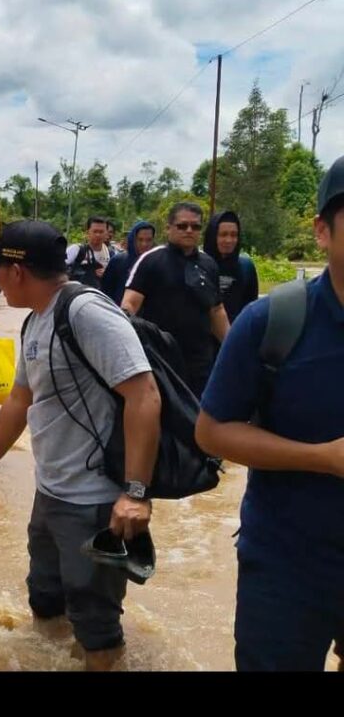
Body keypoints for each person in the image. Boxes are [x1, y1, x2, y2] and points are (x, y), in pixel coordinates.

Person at [0, 220, 161, 671]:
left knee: (97, 626)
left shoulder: (86, 312)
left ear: (16, 272)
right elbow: (20, 399)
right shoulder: (36, 319)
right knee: (46, 601)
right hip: (51, 493)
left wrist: (135, 493)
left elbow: (144, 396)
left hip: (94, 502)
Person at [196, 155, 344, 672]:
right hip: (287, 564)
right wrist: (323, 458)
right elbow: (212, 432)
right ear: (322, 231)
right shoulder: (273, 321)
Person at [122, 202, 230, 397]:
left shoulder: (208, 264)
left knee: (198, 409)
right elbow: (129, 305)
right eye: (182, 226)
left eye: (195, 226)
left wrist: (232, 347)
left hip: (199, 360)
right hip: (160, 358)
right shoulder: (151, 260)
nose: (189, 230)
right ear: (168, 228)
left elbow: (216, 310)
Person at [203, 210, 259, 323]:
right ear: (213, 236)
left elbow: (251, 307)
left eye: (234, 235)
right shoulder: (200, 266)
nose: (229, 240)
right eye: (223, 235)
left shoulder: (246, 267)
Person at [100, 221, 155, 305]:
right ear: (133, 239)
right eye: (140, 240)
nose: (144, 244)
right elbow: (105, 292)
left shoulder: (157, 264)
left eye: (149, 240)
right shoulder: (118, 261)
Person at [66, 216, 115, 288]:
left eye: (101, 232)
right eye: (95, 231)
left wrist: (107, 274)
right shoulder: (76, 249)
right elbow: (58, 269)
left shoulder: (111, 254)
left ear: (106, 234)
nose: (98, 235)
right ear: (87, 232)